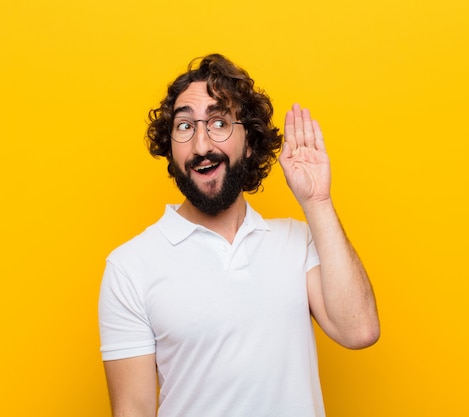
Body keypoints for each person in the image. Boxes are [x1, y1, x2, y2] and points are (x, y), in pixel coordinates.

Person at [98, 53, 380, 417]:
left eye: (219, 122)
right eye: (185, 127)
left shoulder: (298, 241)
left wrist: (318, 201)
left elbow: (359, 331)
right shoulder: (129, 267)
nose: (201, 145)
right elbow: (132, 410)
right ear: (170, 147)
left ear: (249, 141)